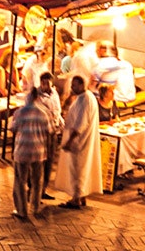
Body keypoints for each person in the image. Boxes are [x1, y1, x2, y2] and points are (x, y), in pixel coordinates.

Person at [59, 74, 99, 208]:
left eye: (74, 85)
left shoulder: (85, 100)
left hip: (79, 142)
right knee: (81, 169)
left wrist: (70, 140)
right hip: (82, 142)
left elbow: (81, 123)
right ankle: (81, 196)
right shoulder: (83, 98)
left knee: (77, 170)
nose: (72, 88)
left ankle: (76, 198)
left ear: (82, 85)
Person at [9, 86, 49, 220]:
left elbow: (13, 128)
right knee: (37, 181)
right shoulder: (43, 113)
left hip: (23, 151)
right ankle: (35, 207)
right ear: (38, 98)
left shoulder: (20, 112)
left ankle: (22, 210)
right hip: (38, 151)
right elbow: (49, 130)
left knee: (20, 181)